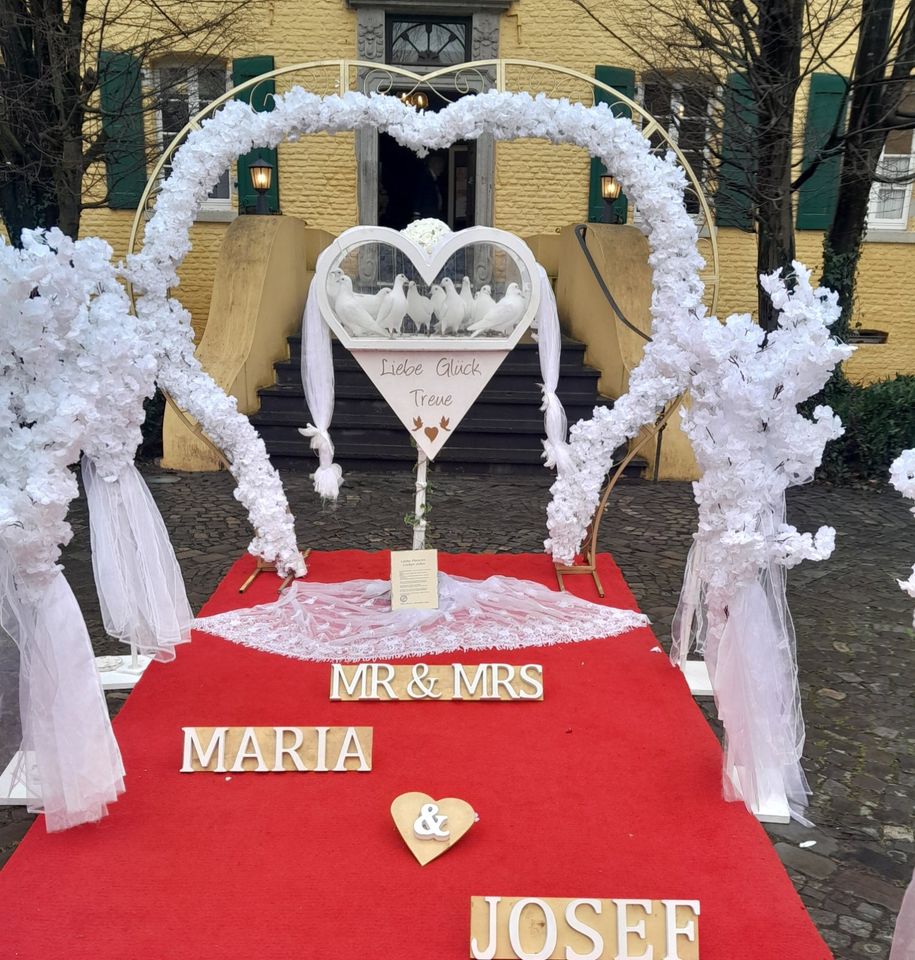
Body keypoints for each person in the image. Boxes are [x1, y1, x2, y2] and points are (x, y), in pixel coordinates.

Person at [413, 152, 447, 220]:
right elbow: (419, 193)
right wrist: (416, 214)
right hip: (426, 214)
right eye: (441, 165)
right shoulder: (425, 176)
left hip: (432, 213)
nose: (442, 169)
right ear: (434, 164)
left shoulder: (434, 177)